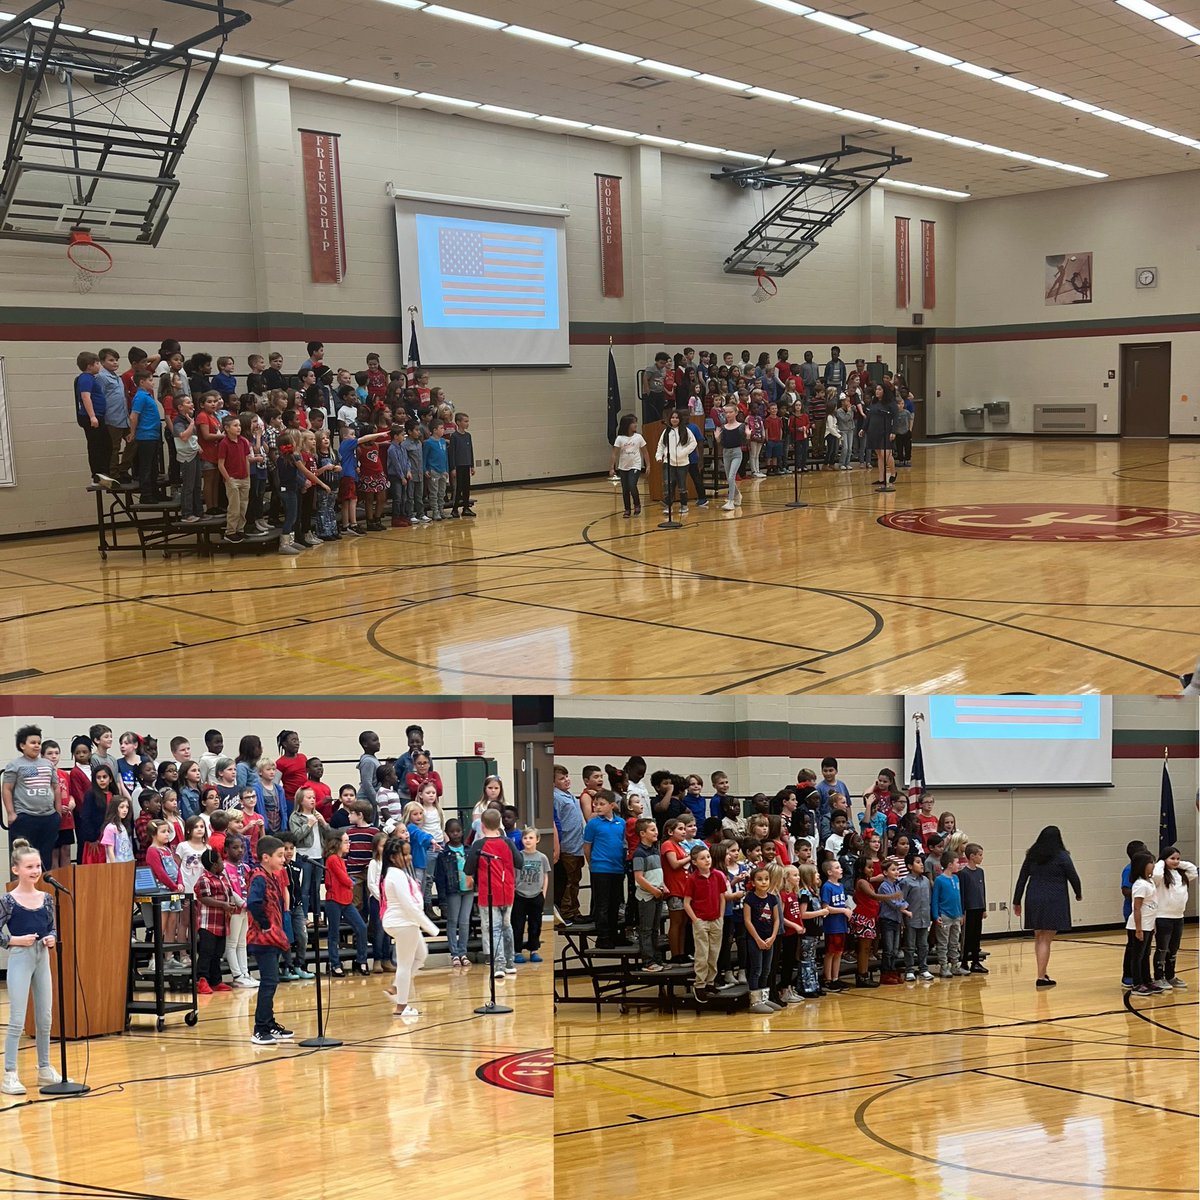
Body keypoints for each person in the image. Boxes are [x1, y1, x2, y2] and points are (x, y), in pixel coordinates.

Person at [1, 840, 63, 1095]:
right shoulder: (9, 901)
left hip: (41, 957)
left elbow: (51, 927)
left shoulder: (46, 898)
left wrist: (51, 937)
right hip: (20, 957)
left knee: (45, 1017)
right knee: (17, 1018)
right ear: (16, 870)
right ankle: (10, 1073)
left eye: (38, 866)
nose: (36, 871)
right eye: (29, 867)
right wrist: (13, 940)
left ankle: (45, 1067)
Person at [1012, 825, 1082, 988]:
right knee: (1046, 939)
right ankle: (1041, 976)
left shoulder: (1032, 855)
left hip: (1033, 897)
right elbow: (1073, 876)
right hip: (1054, 898)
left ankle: (1042, 972)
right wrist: (1078, 893)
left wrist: (1017, 901)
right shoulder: (1062, 856)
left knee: (1039, 937)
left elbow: (1022, 878)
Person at [381, 835, 440, 1019]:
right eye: (404, 855)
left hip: (406, 922)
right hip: (403, 922)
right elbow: (408, 905)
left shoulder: (400, 873)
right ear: (392, 857)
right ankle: (401, 1006)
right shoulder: (396, 875)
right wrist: (430, 927)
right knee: (405, 965)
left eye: (409, 854)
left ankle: (396, 987)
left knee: (421, 955)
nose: (409, 858)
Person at [245, 836, 293, 1045]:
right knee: (269, 981)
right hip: (262, 938)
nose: (284, 859)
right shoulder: (259, 877)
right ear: (266, 857)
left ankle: (269, 1023)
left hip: (272, 936)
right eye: (280, 855)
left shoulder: (272, 875)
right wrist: (265, 924)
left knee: (271, 982)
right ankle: (260, 1028)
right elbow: (253, 903)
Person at [465, 809, 523, 980]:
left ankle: (499, 965)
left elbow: (468, 869)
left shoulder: (479, 845)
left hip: (488, 892)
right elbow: (520, 862)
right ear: (499, 824)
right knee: (507, 926)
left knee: (494, 928)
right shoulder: (508, 842)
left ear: (482, 826)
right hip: (507, 891)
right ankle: (510, 964)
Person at [3, 725, 63, 871]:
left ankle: (43, 892)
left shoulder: (48, 764)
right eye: (33, 742)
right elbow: (7, 789)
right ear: (22, 745)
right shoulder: (14, 765)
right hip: (25, 818)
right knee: (23, 860)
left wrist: (58, 813)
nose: (37, 746)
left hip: (48, 818)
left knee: (45, 860)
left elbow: (56, 787)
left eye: (38, 742)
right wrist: (11, 813)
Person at [323, 829, 370, 977]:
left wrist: (350, 882)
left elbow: (347, 880)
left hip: (346, 900)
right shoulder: (332, 859)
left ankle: (361, 960)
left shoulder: (341, 859)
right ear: (337, 843)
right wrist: (351, 882)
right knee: (334, 934)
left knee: (361, 927)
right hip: (334, 900)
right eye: (345, 842)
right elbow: (344, 879)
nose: (349, 844)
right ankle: (335, 964)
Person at [583, 791, 626, 950]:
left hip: (617, 868)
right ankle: (603, 936)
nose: (597, 807)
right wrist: (591, 864)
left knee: (615, 903)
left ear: (612, 805)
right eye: (595, 804)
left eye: (602, 804)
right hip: (600, 868)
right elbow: (587, 847)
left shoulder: (621, 822)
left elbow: (622, 844)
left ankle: (614, 935)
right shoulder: (593, 823)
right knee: (602, 904)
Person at [1152, 846, 1196, 990]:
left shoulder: (1181, 875)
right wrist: (1162, 862)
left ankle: (1170, 976)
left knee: (1174, 948)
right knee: (1162, 948)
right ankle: (1159, 977)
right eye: (1172, 858)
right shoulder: (1161, 875)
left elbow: (1193, 870)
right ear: (1164, 859)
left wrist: (1178, 863)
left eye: (1178, 858)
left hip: (1179, 917)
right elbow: (1156, 875)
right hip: (1163, 917)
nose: (1176, 861)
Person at [193, 847, 235, 994]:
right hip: (208, 922)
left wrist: (231, 904)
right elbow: (203, 898)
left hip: (222, 922)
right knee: (207, 952)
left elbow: (228, 894)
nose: (223, 862)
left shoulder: (223, 877)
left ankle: (216, 980)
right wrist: (223, 905)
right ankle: (201, 980)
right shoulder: (204, 879)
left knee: (218, 953)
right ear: (214, 864)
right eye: (220, 860)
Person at [434, 819, 474, 968]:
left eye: (458, 831)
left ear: (462, 831)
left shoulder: (468, 850)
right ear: (447, 833)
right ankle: (454, 953)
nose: (455, 834)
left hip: (468, 890)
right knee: (452, 921)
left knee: (465, 922)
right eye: (452, 831)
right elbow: (440, 878)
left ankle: (463, 952)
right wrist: (442, 899)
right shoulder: (443, 854)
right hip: (453, 891)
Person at [743, 865, 781, 1013]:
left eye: (766, 879)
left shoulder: (772, 899)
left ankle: (764, 998)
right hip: (755, 938)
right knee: (756, 969)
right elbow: (747, 921)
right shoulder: (750, 898)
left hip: (769, 938)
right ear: (753, 882)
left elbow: (777, 920)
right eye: (759, 879)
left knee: (767, 969)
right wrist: (758, 939)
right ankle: (755, 1001)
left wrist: (772, 937)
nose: (764, 882)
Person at [1126, 850, 1160, 997]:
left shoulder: (1150, 882)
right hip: (1138, 926)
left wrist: (1153, 926)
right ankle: (1137, 983)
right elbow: (1137, 908)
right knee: (1137, 955)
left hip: (1148, 925)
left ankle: (1147, 980)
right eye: (1150, 863)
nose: (1153, 865)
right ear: (1142, 865)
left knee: (1146, 954)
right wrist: (1138, 929)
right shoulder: (1140, 884)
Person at [513, 828, 550, 963]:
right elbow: (513, 874)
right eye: (525, 838)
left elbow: (545, 876)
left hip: (536, 896)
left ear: (537, 840)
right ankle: (517, 951)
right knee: (518, 924)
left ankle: (534, 950)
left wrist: (543, 893)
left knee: (535, 924)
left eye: (531, 838)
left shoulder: (542, 857)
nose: (528, 840)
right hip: (519, 895)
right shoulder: (518, 856)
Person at [654, 409, 697, 516]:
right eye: (672, 417)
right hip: (668, 463)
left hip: (683, 463)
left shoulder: (686, 431)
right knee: (668, 484)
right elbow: (661, 445)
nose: (674, 419)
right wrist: (659, 456)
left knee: (682, 485)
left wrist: (683, 452)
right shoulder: (666, 431)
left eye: (676, 418)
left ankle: (684, 505)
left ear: (680, 419)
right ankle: (668, 506)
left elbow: (693, 443)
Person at [901, 851, 934, 981]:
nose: (921, 865)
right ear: (910, 866)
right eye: (918, 862)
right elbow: (902, 900)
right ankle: (909, 969)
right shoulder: (906, 882)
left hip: (924, 918)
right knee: (909, 945)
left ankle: (923, 969)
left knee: (923, 945)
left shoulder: (926, 880)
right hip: (911, 918)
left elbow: (929, 899)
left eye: (922, 862)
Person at [610, 413, 649, 519]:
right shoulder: (620, 439)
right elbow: (615, 453)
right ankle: (627, 509)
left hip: (635, 466)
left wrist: (648, 465)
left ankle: (637, 504)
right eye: (633, 422)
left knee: (632, 485)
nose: (636, 424)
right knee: (625, 489)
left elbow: (645, 452)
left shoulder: (638, 437)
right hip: (623, 467)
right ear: (627, 424)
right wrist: (612, 467)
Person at [959, 843, 988, 973]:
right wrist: (962, 912)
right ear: (972, 856)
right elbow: (962, 893)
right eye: (980, 855)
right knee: (967, 936)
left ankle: (975, 962)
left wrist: (984, 908)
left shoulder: (980, 872)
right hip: (968, 910)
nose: (982, 858)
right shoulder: (963, 873)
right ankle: (964, 962)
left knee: (977, 936)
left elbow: (983, 891)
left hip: (978, 908)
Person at [714, 402, 746, 512]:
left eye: (730, 412)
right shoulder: (723, 427)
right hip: (726, 453)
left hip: (737, 452)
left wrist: (749, 435)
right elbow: (721, 442)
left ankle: (731, 501)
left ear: (736, 413)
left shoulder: (741, 426)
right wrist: (717, 438)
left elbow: (744, 440)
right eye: (726, 412)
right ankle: (738, 495)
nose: (728, 415)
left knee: (732, 476)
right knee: (729, 478)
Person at [866, 384, 896, 490]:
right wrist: (863, 428)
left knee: (885, 453)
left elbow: (895, 417)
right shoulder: (873, 402)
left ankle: (893, 472)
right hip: (874, 431)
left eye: (879, 389)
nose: (877, 391)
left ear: (884, 391)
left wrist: (894, 431)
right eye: (876, 389)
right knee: (879, 454)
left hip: (886, 430)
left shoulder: (890, 403)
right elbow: (869, 416)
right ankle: (881, 478)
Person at [448, 412, 475, 519]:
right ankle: (455, 509)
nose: (467, 423)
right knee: (458, 488)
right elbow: (452, 453)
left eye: (468, 421)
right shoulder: (454, 436)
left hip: (466, 464)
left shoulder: (468, 436)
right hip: (458, 465)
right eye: (465, 421)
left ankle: (466, 508)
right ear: (458, 422)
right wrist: (453, 468)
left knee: (466, 487)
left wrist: (472, 465)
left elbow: (470, 451)